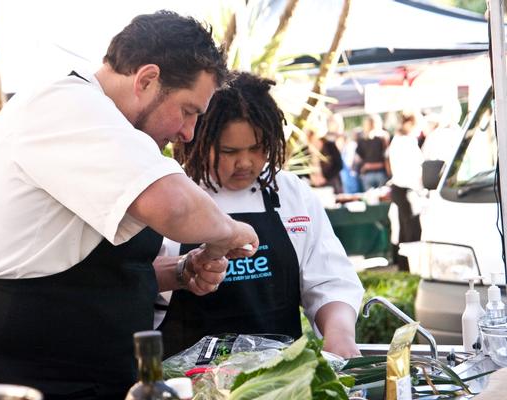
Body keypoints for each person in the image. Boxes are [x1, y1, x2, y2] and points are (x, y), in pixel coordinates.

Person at [0, 11, 260, 399]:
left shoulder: (109, 131)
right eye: (187, 110)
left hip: (81, 370)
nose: (187, 132)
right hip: (13, 367)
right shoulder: (64, 105)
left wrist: (180, 272)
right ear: (146, 79)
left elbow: (81, 270)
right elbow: (175, 208)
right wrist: (229, 231)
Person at [156, 72, 364, 359]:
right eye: (229, 151)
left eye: (257, 148)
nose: (245, 162)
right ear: (199, 140)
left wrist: (339, 335)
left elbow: (329, 281)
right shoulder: (170, 191)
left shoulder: (290, 193)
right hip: (189, 381)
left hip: (279, 380)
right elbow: (141, 283)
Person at [388, 112, 424, 271]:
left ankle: (405, 267)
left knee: (405, 229)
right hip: (406, 190)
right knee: (410, 230)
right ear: (408, 123)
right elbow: (414, 168)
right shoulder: (405, 141)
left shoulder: (399, 140)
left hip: (403, 189)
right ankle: (409, 267)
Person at [356, 114, 389, 191]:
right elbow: (387, 155)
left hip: (369, 173)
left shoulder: (362, 139)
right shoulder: (383, 137)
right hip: (380, 172)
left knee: (370, 200)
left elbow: (358, 158)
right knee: (382, 199)